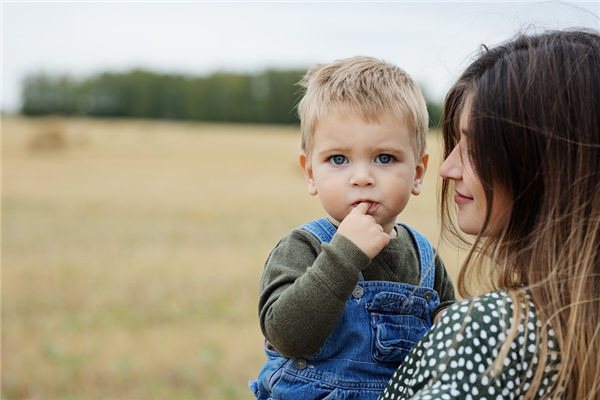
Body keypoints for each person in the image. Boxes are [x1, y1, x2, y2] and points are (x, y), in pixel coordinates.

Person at [380, 29, 600, 400]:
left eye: (475, 145)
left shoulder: (492, 333)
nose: (447, 168)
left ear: (544, 164)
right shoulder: (579, 327)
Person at [249, 56, 456, 400]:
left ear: (418, 173)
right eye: (339, 160)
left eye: (385, 158)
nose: (362, 178)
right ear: (311, 172)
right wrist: (344, 255)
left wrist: (454, 321)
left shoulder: (423, 257)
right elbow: (285, 335)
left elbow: (448, 325)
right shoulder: (304, 246)